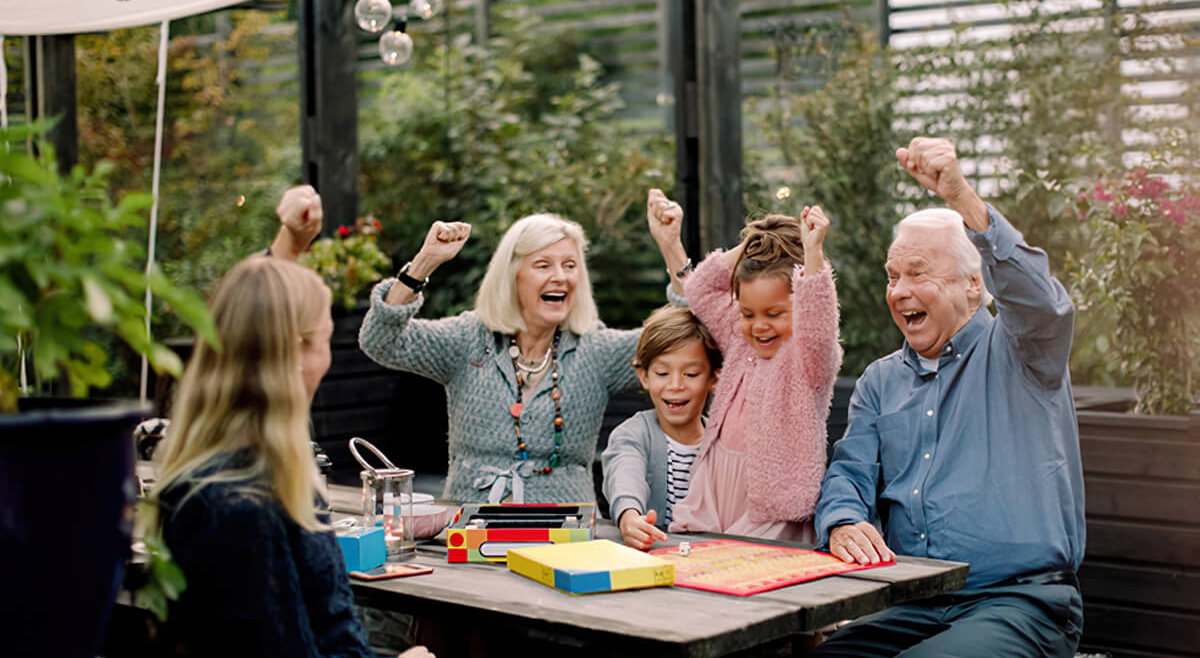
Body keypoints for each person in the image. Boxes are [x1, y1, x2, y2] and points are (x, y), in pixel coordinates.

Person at [154, 256, 603, 658]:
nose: (327, 356)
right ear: (294, 354)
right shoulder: (237, 504)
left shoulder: (246, 472)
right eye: (323, 340)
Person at [797, 137, 1085, 658]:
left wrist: (958, 195)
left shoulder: (1024, 352)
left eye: (918, 273)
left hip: (1023, 605)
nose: (900, 291)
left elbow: (1044, 302)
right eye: (894, 276)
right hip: (915, 603)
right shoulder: (878, 383)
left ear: (972, 283)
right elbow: (847, 472)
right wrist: (842, 520)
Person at [358, 207, 689, 504]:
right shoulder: (468, 339)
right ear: (511, 277)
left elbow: (688, 333)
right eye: (543, 265)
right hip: (474, 533)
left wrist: (671, 247)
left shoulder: (597, 350)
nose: (560, 276)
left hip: (566, 537)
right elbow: (380, 340)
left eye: (570, 265)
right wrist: (424, 263)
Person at [661, 195, 843, 542]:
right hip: (716, 488)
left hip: (770, 505)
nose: (759, 326)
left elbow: (819, 322)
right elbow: (700, 288)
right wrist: (750, 245)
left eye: (774, 314)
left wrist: (813, 253)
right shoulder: (740, 341)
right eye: (747, 314)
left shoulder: (809, 358)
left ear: (799, 305)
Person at [602, 306, 722, 550]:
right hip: (654, 560)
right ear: (644, 376)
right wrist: (630, 516)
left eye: (690, 374)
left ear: (713, 378)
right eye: (662, 373)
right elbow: (624, 472)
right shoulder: (633, 434)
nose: (675, 385)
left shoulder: (723, 441)